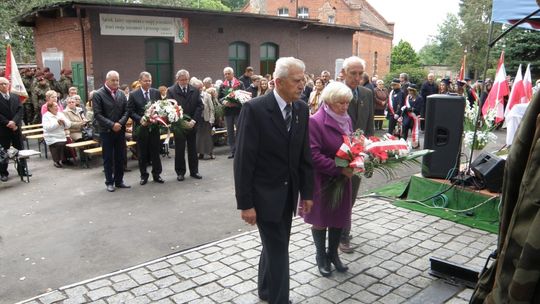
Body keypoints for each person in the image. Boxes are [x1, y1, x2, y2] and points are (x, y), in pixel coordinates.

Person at [235, 57, 314, 304]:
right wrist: (245, 204)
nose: (303, 85)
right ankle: (280, 299)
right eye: (297, 80)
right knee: (279, 249)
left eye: (304, 79)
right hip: (263, 196)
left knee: (274, 245)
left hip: (288, 195)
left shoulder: (301, 109)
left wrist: (307, 192)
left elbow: (304, 155)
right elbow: (243, 161)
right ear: (278, 82)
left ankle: (265, 290)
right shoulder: (255, 109)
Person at [304, 81, 353, 277]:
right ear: (329, 102)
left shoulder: (346, 118)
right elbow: (313, 155)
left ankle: (333, 254)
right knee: (321, 219)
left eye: (347, 103)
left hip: (343, 178)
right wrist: (339, 169)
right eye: (341, 103)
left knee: (338, 217)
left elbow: (351, 144)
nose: (345, 107)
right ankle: (320, 256)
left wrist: (357, 158)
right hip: (322, 180)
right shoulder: (315, 121)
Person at [340, 56, 375, 253]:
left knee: (351, 195)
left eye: (360, 74)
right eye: (353, 73)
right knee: (340, 196)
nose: (357, 77)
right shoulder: (334, 92)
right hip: (339, 154)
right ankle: (341, 234)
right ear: (343, 73)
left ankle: (342, 231)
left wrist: (369, 152)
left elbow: (369, 124)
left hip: (360, 154)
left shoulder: (366, 93)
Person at [93, 70, 131, 192]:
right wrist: (111, 125)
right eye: (113, 80)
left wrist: (120, 123)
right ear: (107, 80)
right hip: (106, 131)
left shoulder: (121, 94)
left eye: (117, 80)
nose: (116, 82)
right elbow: (98, 114)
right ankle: (109, 182)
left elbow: (127, 111)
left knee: (120, 157)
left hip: (120, 130)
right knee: (108, 158)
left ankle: (119, 180)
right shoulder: (98, 94)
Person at [128, 71, 164, 185]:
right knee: (142, 154)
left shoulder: (156, 92)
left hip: (154, 128)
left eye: (149, 81)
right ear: (140, 81)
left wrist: (157, 117)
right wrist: (141, 120)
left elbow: (161, 108)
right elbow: (130, 111)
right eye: (145, 81)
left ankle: (157, 174)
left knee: (155, 152)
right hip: (141, 129)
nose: (148, 83)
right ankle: (144, 176)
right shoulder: (134, 94)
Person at [167, 69, 203, 181]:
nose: (184, 82)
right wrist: (181, 122)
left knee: (192, 149)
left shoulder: (195, 90)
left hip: (192, 124)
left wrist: (193, 121)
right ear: (177, 79)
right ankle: (180, 172)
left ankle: (194, 171)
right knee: (180, 149)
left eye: (186, 79)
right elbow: (170, 108)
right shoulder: (171, 91)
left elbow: (199, 106)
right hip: (179, 125)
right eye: (182, 80)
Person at [0, 77, 25, 181]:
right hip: (3, 129)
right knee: (3, 151)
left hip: (15, 128)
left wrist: (14, 122)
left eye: (5, 84)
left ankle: (22, 170)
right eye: (1, 84)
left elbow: (20, 110)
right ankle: (3, 173)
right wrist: (8, 122)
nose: (4, 86)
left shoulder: (15, 96)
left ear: (9, 84)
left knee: (20, 149)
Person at [218, 67, 245, 159]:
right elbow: (219, 98)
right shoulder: (222, 85)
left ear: (233, 74)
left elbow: (244, 95)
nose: (226, 75)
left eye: (228, 73)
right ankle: (233, 151)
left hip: (238, 111)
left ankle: (240, 150)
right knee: (229, 132)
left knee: (239, 131)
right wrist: (224, 102)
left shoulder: (240, 84)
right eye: (225, 74)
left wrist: (235, 102)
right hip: (228, 112)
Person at [42, 101, 71, 168]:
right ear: (50, 108)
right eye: (55, 106)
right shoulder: (46, 116)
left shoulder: (60, 114)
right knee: (59, 144)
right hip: (51, 136)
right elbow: (47, 128)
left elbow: (68, 125)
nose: (57, 108)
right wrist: (57, 123)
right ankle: (56, 161)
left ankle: (65, 159)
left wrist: (64, 122)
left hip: (61, 135)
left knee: (67, 142)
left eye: (57, 106)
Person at [192, 79, 215, 160]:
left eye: (201, 87)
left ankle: (210, 153)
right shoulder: (193, 96)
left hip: (206, 119)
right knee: (198, 137)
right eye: (198, 88)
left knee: (208, 137)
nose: (200, 89)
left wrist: (212, 120)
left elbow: (211, 108)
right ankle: (200, 153)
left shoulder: (207, 95)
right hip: (197, 120)